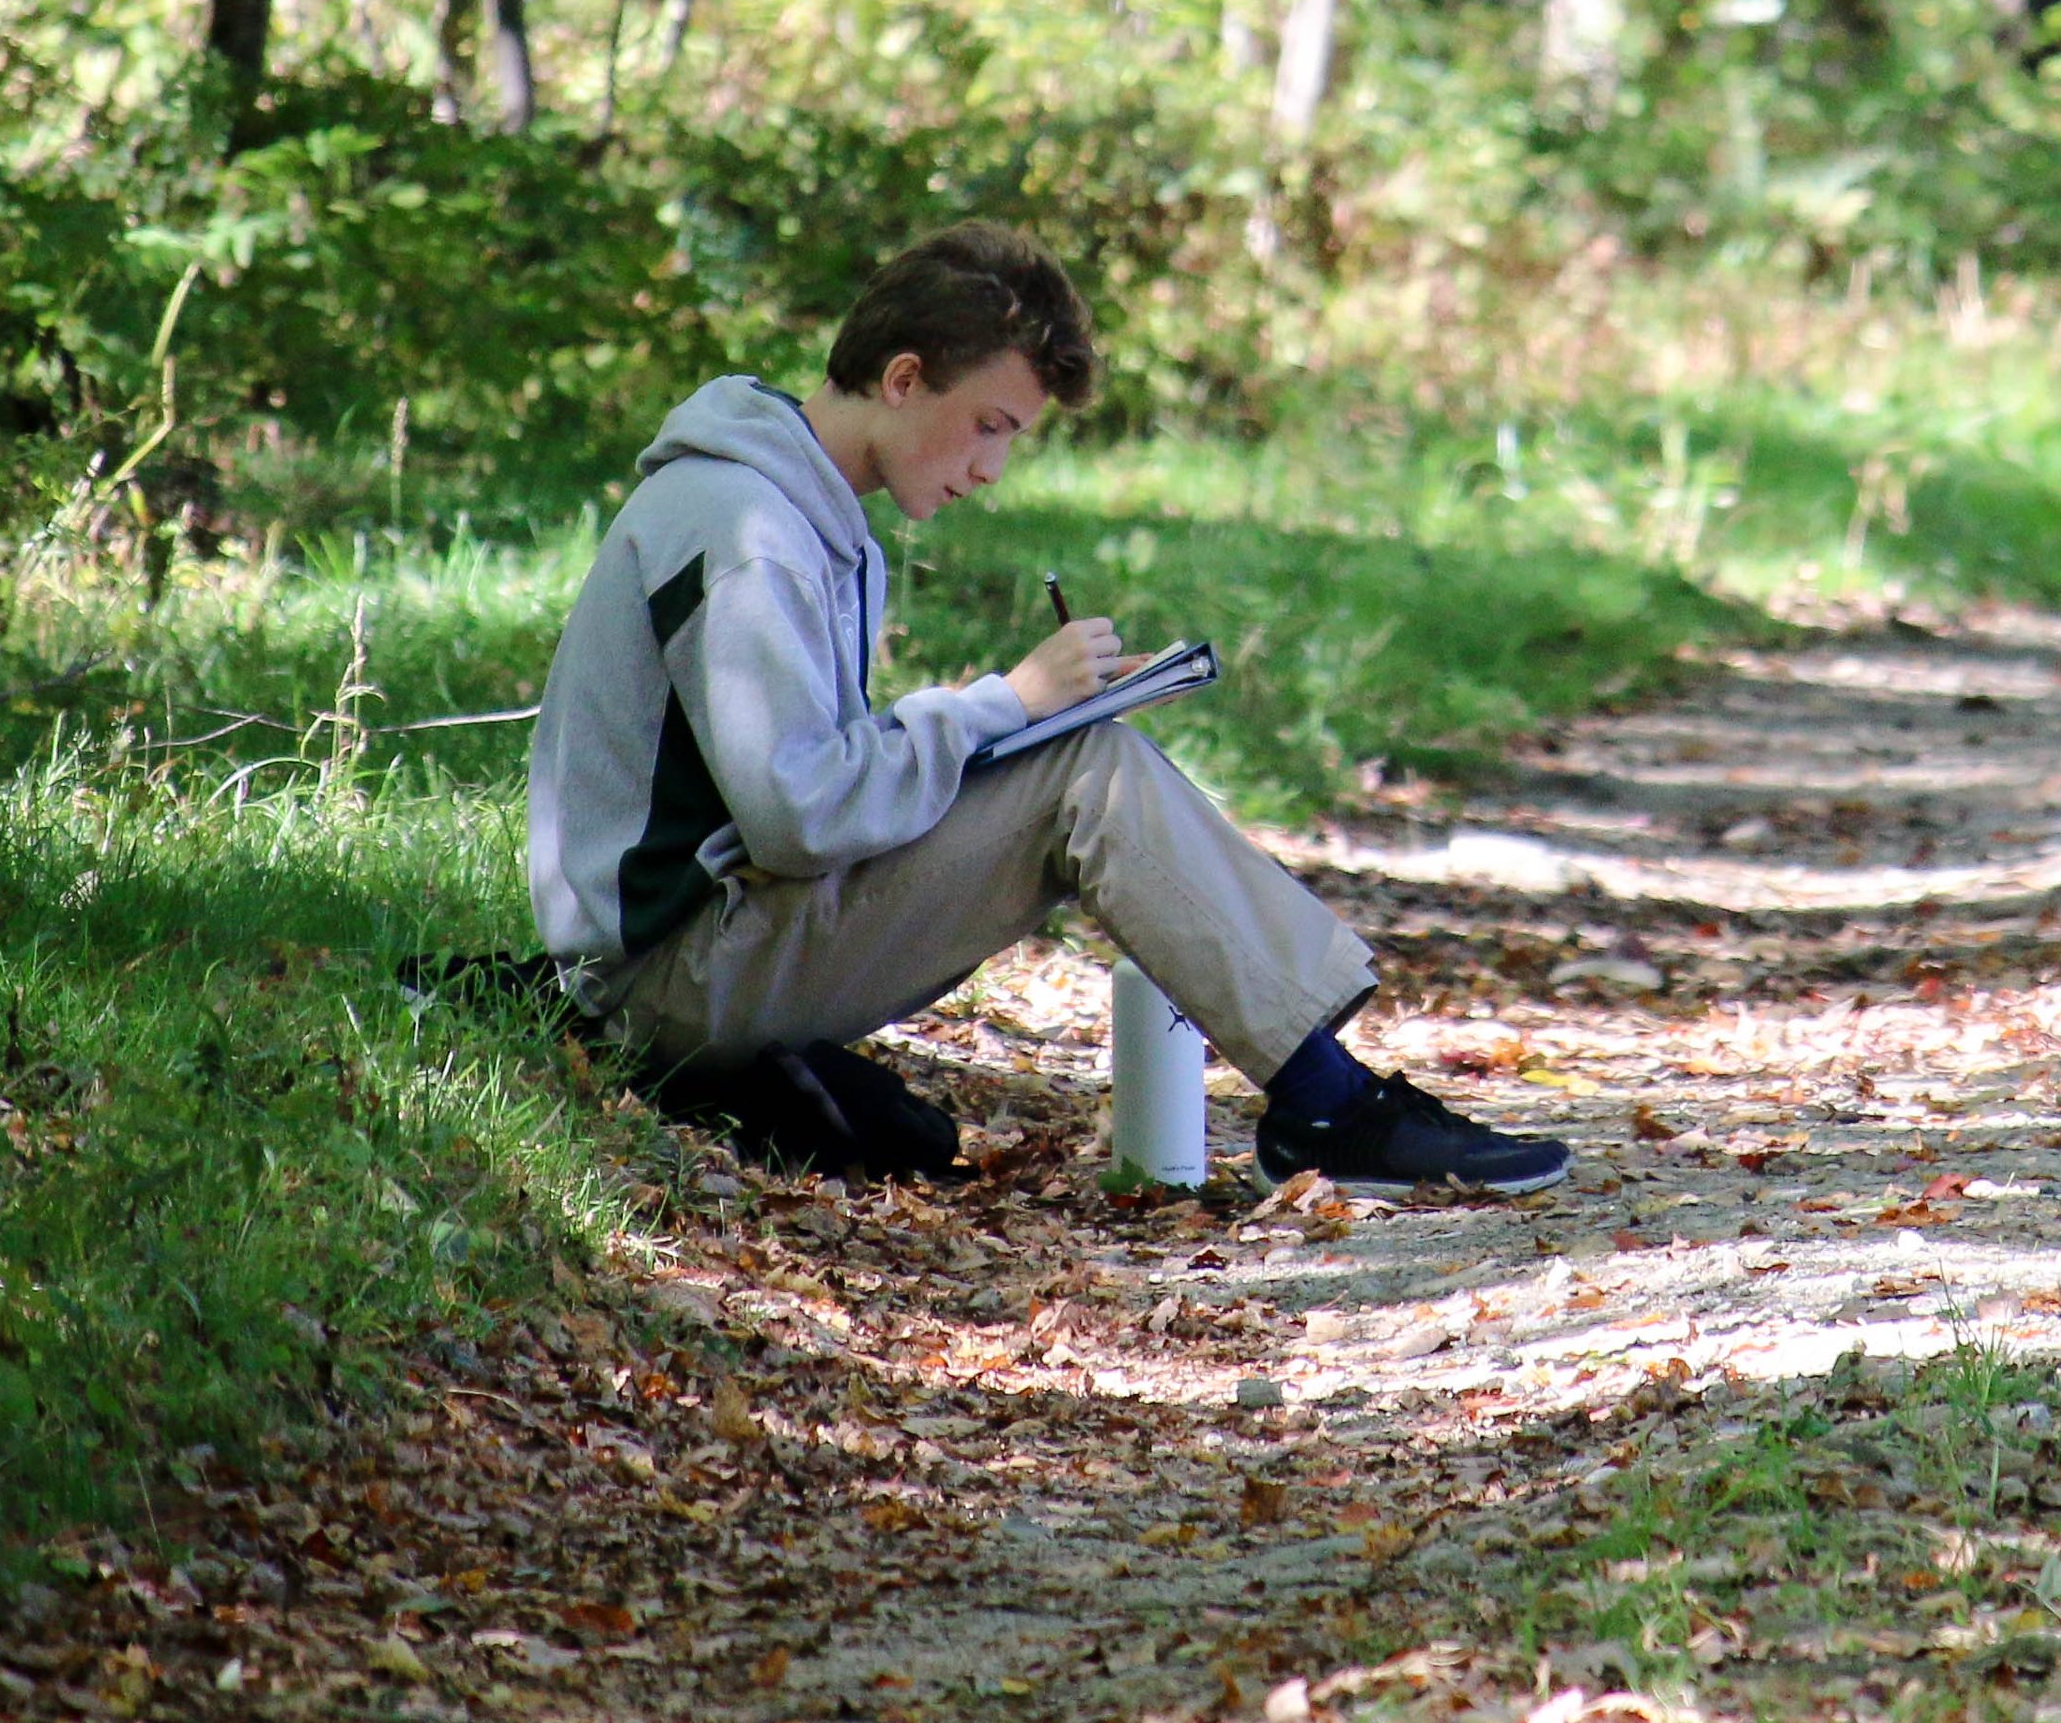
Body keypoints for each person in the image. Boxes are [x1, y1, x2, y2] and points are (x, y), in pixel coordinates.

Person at [522, 223, 1569, 1195]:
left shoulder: (804, 514)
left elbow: (808, 790)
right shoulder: (746, 526)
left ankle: (1328, 1095)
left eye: (1011, 435)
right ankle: (1330, 1108)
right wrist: (1002, 707)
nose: (991, 465)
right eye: (987, 424)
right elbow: (801, 815)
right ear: (901, 377)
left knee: (1074, 759)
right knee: (1083, 773)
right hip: (667, 980)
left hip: (713, 942)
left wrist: (1009, 728)